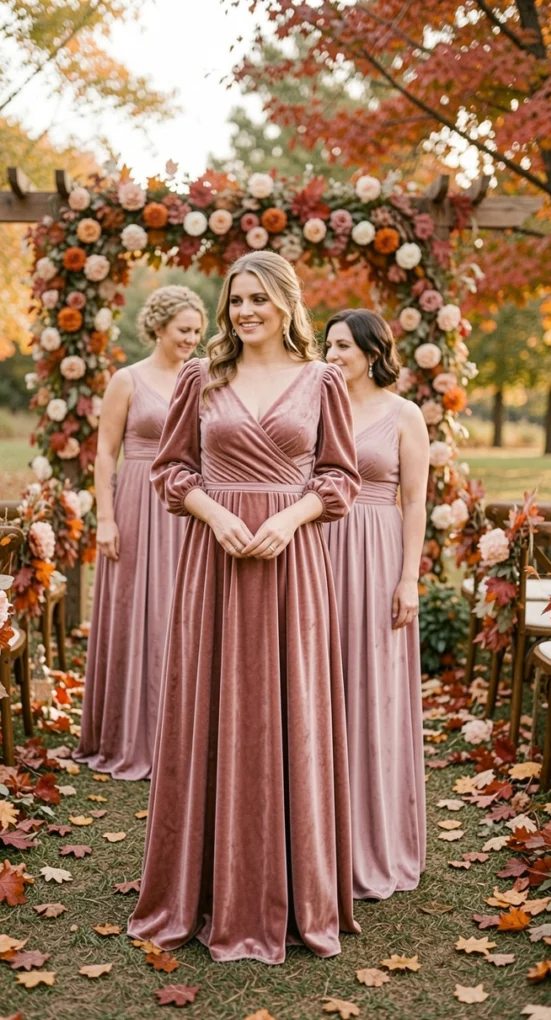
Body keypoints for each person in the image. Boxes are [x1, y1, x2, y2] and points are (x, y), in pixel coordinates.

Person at [128, 251, 361, 964]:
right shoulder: (202, 377)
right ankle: (199, 888)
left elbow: (339, 477)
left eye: (258, 298)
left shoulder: (322, 380)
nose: (245, 311)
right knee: (210, 706)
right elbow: (171, 469)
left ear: (286, 302)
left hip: (293, 567)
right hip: (214, 563)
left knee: (293, 712)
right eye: (235, 301)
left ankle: (297, 890)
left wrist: (287, 521)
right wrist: (211, 513)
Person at [75, 285, 207, 780]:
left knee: (185, 610)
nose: (193, 339)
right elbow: (106, 452)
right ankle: (129, 734)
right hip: (137, 501)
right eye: (184, 331)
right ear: (158, 327)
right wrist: (105, 518)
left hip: (191, 505)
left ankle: (184, 736)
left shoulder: (204, 379)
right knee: (136, 613)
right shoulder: (127, 380)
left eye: (198, 331)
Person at [324, 308, 429, 899]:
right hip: (320, 552)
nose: (332, 354)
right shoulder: (318, 403)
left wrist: (408, 578)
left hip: (379, 552)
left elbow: (414, 502)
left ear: (370, 351)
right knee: (320, 683)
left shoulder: (403, 414)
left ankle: (374, 836)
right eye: (328, 344)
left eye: (343, 345)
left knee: (372, 688)